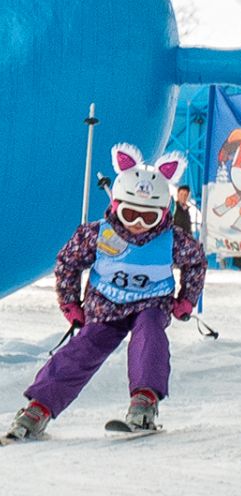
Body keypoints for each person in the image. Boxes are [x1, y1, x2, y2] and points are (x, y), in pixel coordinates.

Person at [4, 143, 207, 441]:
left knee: (149, 336)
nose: (138, 224)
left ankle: (144, 401)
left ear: (163, 213)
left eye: (148, 218)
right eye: (130, 214)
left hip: (151, 302)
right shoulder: (97, 233)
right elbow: (68, 263)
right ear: (116, 206)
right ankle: (39, 406)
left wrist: (187, 299)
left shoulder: (173, 238)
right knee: (83, 348)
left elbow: (195, 263)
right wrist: (71, 303)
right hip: (105, 305)